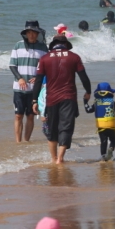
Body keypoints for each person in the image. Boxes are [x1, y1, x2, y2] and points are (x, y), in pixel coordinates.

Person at [34, 37, 92, 165]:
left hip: (51, 99)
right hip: (69, 97)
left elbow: (38, 81)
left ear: (53, 45)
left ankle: (53, 158)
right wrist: (88, 92)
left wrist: (34, 100)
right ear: (65, 44)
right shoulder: (74, 57)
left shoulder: (44, 58)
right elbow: (84, 77)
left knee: (52, 129)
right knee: (66, 127)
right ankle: (60, 158)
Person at [9, 20, 47, 144]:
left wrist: (38, 78)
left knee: (30, 116)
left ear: (37, 33)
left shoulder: (43, 48)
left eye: (34, 32)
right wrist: (19, 78)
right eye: (29, 32)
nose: (31, 35)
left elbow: (47, 67)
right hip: (18, 88)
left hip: (34, 89)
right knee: (18, 115)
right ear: (25, 33)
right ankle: (18, 142)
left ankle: (27, 141)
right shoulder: (17, 46)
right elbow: (12, 66)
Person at [84, 81, 115, 161]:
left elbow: (88, 110)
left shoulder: (96, 103)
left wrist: (85, 101)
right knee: (113, 140)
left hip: (101, 127)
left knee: (103, 142)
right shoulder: (112, 102)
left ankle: (103, 157)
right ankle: (111, 148)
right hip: (111, 126)